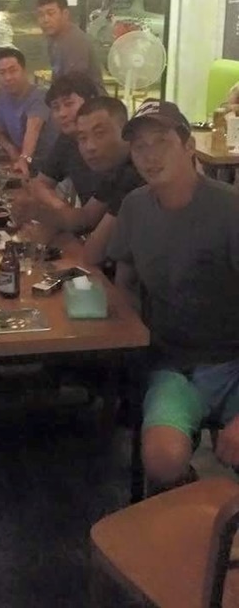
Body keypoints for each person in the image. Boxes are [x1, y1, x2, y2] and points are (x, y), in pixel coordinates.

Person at [108, 99, 239, 493]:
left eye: (161, 142)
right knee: (162, 460)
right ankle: (195, 506)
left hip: (234, 363)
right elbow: (125, 279)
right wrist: (134, 335)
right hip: (174, 365)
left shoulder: (229, 209)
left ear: (188, 145)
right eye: (140, 147)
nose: (150, 156)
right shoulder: (134, 207)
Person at [32, 97, 142, 265]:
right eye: (82, 138)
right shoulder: (115, 170)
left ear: (126, 133)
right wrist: (36, 212)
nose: (90, 147)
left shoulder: (135, 173)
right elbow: (86, 218)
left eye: (99, 134)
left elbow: (93, 254)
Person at [31, 73, 100, 210]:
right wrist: (62, 208)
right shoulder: (67, 139)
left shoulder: (107, 143)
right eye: (56, 107)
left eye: (69, 104)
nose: (62, 114)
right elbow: (41, 183)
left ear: (91, 102)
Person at [0, 48, 57, 178]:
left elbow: (34, 128)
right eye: (2, 73)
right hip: (24, 165)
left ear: (24, 71)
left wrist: (24, 158)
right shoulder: (3, 98)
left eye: (13, 71)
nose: (8, 77)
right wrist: (11, 149)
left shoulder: (40, 95)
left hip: (49, 170)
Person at [37, 0, 104, 91]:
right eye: (41, 15)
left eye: (51, 13)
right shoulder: (52, 39)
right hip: (65, 95)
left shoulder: (75, 41)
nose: (45, 20)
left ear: (65, 14)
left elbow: (74, 86)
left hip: (87, 98)